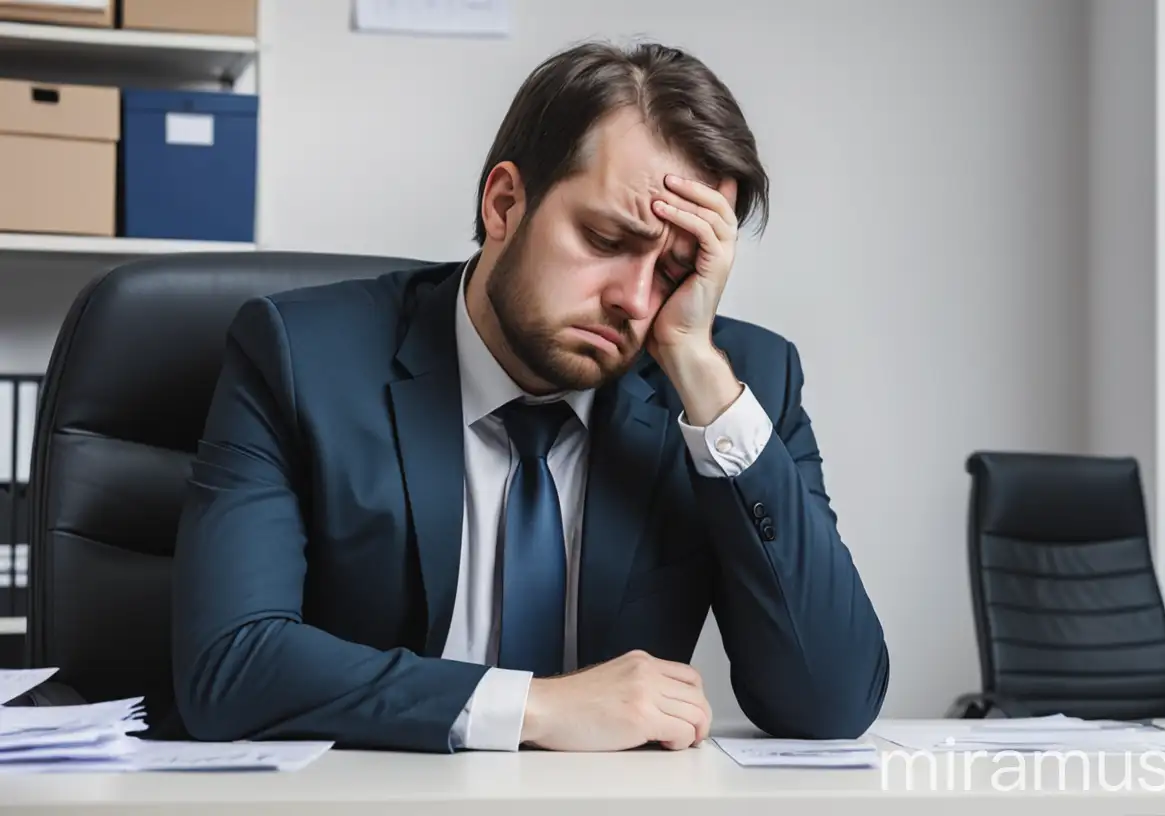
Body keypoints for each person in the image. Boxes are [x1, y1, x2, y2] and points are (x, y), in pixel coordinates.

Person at [169, 39, 889, 754]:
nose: (636, 302)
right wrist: (531, 707)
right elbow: (230, 665)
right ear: (505, 203)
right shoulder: (302, 358)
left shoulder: (733, 384)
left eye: (675, 268)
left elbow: (830, 700)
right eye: (607, 239)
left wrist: (699, 371)